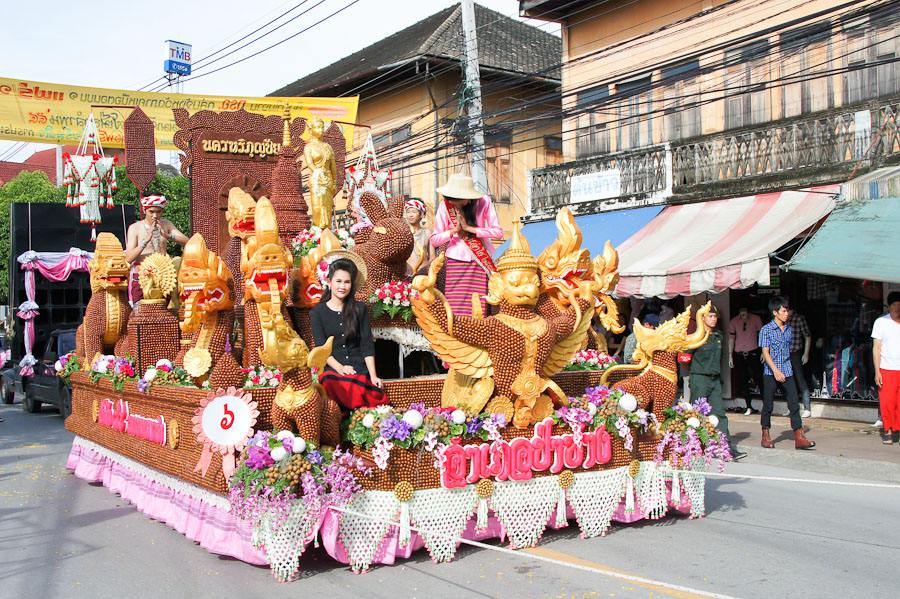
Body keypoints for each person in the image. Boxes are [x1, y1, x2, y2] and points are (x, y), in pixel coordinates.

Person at [310, 256, 387, 410]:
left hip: (358, 368)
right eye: (338, 281)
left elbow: (366, 344)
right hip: (334, 371)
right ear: (330, 282)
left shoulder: (359, 308)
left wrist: (373, 375)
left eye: (347, 282)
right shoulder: (317, 312)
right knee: (330, 381)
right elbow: (321, 348)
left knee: (369, 389)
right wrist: (340, 368)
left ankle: (360, 414)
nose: (342, 286)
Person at [430, 173, 503, 316]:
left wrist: (471, 229)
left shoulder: (484, 202)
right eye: (452, 199)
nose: (455, 203)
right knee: (455, 309)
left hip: (480, 262)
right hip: (455, 261)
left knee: (478, 308)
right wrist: (454, 231)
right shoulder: (444, 206)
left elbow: (498, 233)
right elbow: (434, 240)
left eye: (460, 200)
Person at [759, 296, 815, 450]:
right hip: (771, 373)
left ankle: (799, 435)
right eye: (783, 311)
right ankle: (765, 434)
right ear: (775, 312)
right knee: (768, 404)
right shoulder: (766, 330)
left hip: (788, 370)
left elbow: (788, 350)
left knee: (794, 404)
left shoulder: (789, 329)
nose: (787, 313)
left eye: (787, 310)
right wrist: (776, 371)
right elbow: (765, 352)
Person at [688, 306, 745, 459]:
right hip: (700, 378)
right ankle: (692, 446)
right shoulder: (696, 337)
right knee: (696, 414)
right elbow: (684, 358)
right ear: (703, 318)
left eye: (715, 316)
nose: (713, 319)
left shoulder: (718, 335)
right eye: (710, 316)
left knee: (719, 413)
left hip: (714, 380)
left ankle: (725, 448)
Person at [125, 194, 189, 303]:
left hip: (163, 276)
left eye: (158, 212)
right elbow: (128, 258)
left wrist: (169, 236)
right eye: (151, 211)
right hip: (142, 276)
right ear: (144, 210)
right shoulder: (135, 228)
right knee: (140, 314)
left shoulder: (166, 224)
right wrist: (144, 242)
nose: (155, 215)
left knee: (163, 313)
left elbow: (189, 242)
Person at [873, 291, 900, 445]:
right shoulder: (881, 322)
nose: (897, 308)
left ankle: (897, 429)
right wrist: (877, 371)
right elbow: (876, 347)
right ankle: (888, 430)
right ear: (889, 306)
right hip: (886, 368)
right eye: (894, 305)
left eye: (899, 305)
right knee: (887, 402)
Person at [728, 306, 763, 415]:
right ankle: (748, 406)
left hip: (753, 352)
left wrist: (763, 351)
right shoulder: (734, 321)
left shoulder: (756, 319)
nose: (743, 314)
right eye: (741, 312)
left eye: (745, 312)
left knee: (758, 378)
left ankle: (766, 404)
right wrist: (730, 355)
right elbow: (731, 338)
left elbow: (762, 335)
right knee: (743, 380)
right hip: (739, 353)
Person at [787, 307, 813, 418]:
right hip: (785, 354)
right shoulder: (782, 320)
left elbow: (807, 336)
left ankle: (807, 408)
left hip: (796, 352)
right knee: (788, 381)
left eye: (787, 310)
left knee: (800, 379)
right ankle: (792, 408)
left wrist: (806, 353)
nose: (786, 312)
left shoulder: (798, 319)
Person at [403, 198, 433, 276]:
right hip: (406, 274)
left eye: (414, 212)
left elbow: (432, 257)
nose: (410, 215)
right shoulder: (402, 233)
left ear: (421, 214)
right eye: (408, 212)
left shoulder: (428, 233)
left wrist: (428, 272)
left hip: (423, 275)